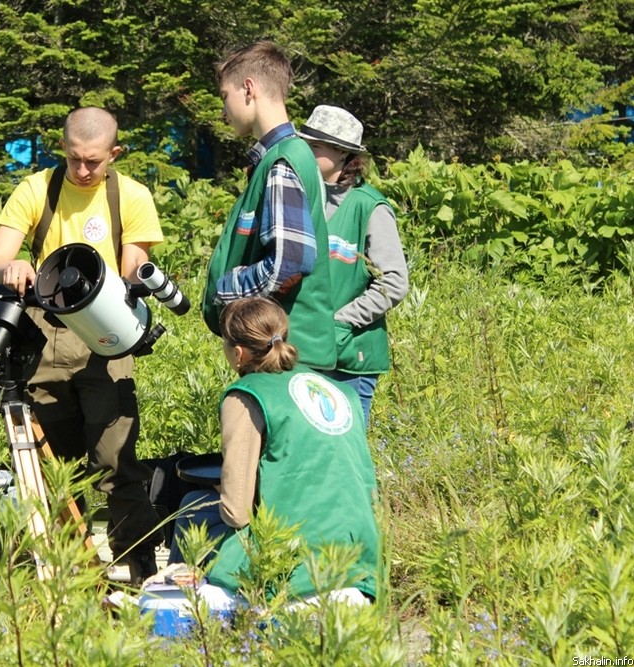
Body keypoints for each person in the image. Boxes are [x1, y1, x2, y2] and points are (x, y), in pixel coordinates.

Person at [0, 107, 164, 585]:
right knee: (52, 468)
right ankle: (69, 572)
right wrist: (13, 266)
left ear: (114, 154)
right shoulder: (37, 189)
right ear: (62, 148)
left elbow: (131, 276)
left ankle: (139, 569)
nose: (82, 170)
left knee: (115, 460)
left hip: (104, 335)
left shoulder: (132, 198)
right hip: (43, 338)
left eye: (94, 162)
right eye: (74, 159)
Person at [165, 296, 379, 607]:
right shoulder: (339, 390)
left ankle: (179, 610)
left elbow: (236, 512)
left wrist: (224, 486)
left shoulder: (246, 395)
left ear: (238, 353)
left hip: (296, 564)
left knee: (192, 506)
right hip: (359, 560)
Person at [202, 41, 337, 372]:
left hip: (287, 358)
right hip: (285, 354)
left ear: (248, 89)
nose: (223, 111)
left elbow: (287, 265)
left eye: (224, 97)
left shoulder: (282, 163)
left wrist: (224, 287)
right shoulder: (287, 157)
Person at [298, 105, 409, 428]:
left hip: (350, 358)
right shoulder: (300, 198)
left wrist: (339, 323)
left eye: (314, 147)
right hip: (304, 351)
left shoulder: (369, 206)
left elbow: (394, 282)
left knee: (345, 454)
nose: (305, 153)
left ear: (343, 154)